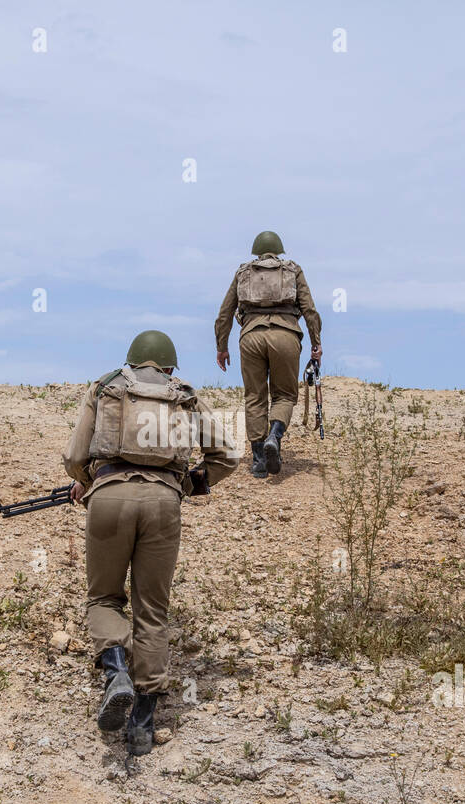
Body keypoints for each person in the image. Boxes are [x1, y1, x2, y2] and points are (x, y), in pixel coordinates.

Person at [62, 330, 239, 754]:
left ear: (132, 361)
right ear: (168, 368)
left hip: (108, 499)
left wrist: (87, 482)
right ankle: (142, 721)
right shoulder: (184, 396)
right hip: (163, 505)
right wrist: (192, 484)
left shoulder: (106, 386)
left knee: (104, 599)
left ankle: (116, 668)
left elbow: (73, 457)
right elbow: (227, 456)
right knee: (153, 609)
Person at [214, 230, 322, 478]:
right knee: (284, 394)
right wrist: (316, 343)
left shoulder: (244, 272)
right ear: (279, 250)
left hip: (251, 336)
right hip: (285, 335)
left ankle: (259, 459)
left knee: (255, 396)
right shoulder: (293, 270)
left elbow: (224, 313)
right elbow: (310, 310)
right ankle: (274, 434)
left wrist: (222, 346)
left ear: (256, 251)